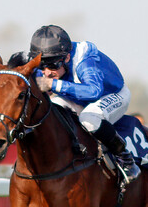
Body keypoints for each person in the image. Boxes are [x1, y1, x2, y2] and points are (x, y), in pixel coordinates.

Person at [30, 25, 140, 183]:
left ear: (67, 58)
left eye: (53, 66)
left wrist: (53, 85)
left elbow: (93, 91)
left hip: (111, 94)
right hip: (77, 97)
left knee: (89, 119)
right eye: (42, 66)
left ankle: (126, 159)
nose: (46, 72)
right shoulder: (54, 58)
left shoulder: (84, 60)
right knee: (51, 112)